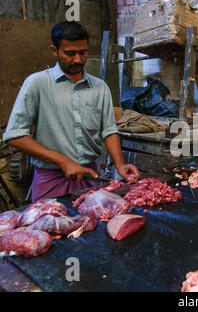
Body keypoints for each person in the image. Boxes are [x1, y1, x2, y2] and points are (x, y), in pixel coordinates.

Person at [3, 21, 140, 202]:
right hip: (49, 181)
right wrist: (63, 161)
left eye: (82, 52)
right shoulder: (37, 84)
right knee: (50, 227)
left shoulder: (100, 88)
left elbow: (109, 131)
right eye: (69, 53)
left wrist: (120, 165)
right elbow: (15, 136)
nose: (77, 59)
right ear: (55, 50)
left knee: (93, 227)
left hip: (89, 179)